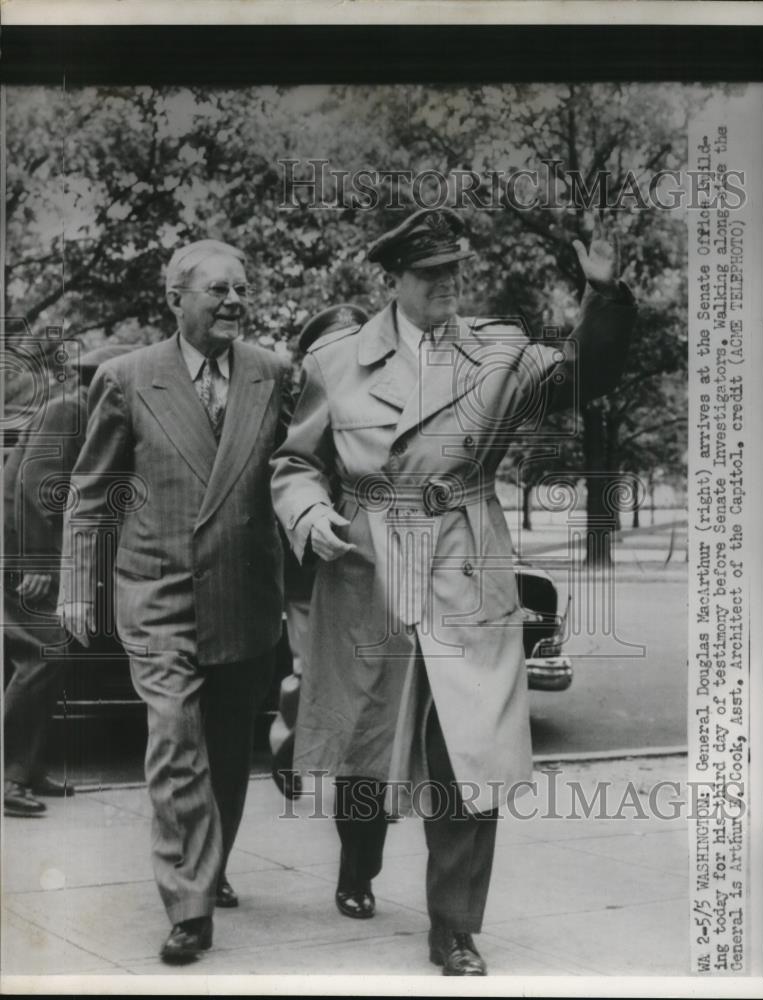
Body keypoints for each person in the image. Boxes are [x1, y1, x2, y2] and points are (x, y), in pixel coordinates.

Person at [271, 207, 637, 976]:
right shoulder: (335, 362)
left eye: (454, 271)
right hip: (370, 563)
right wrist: (308, 513)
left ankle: (455, 928)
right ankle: (357, 860)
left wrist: (604, 296)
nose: (446, 285)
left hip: (466, 559)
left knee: (467, 752)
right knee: (368, 750)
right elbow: (297, 463)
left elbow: (583, 376)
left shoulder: (499, 352)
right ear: (394, 280)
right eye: (430, 273)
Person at [59, 239, 292, 964]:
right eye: (217, 290)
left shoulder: (274, 374)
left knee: (225, 748)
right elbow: (91, 491)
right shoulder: (128, 379)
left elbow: (297, 471)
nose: (232, 302)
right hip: (158, 590)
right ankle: (189, 903)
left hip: (244, 594)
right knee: (174, 741)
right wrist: (75, 582)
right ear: (175, 299)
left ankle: (209, 864)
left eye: (240, 290)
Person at [269, 304, 368, 801]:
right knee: (311, 665)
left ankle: (352, 768)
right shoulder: (295, 403)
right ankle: (291, 744)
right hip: (307, 564)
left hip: (360, 561)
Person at [3, 350, 85, 817]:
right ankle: (11, 776)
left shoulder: (71, 406)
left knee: (50, 653)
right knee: (43, 652)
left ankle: (27, 768)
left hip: (22, 549)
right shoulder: (72, 409)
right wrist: (36, 563)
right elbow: (37, 486)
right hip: (21, 553)